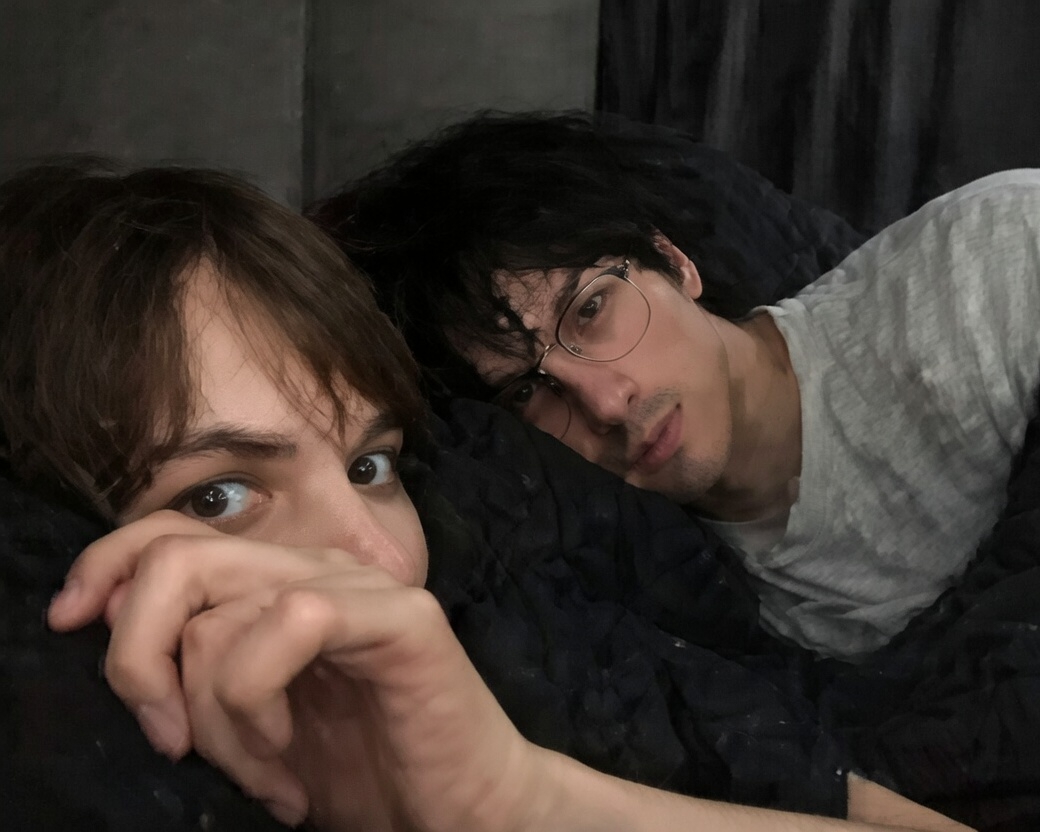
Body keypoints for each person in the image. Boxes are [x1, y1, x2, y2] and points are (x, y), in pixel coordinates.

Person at [0, 161, 969, 831]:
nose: (385, 565)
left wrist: (516, 798)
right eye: (218, 494)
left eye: (369, 467)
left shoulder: (530, 647)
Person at [315, 111, 1040, 657]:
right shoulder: (678, 608)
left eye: (592, 311)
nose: (605, 402)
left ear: (675, 262)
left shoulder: (1006, 255)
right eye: (528, 393)